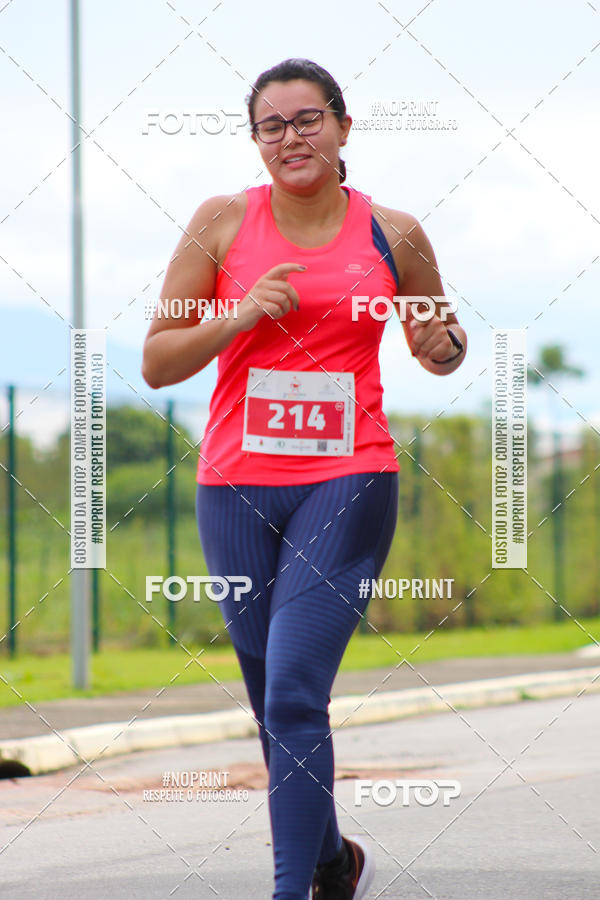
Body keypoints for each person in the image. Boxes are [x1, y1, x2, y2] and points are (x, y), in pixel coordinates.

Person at [142, 57, 466, 900]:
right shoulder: (218, 226)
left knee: (293, 687)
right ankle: (332, 862)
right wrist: (241, 312)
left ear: (344, 127)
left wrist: (441, 347)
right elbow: (156, 362)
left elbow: (441, 339)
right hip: (235, 489)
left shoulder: (392, 233)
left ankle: (294, 891)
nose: (292, 137)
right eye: (272, 126)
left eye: (308, 119)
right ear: (255, 141)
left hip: (348, 479)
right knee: (272, 702)